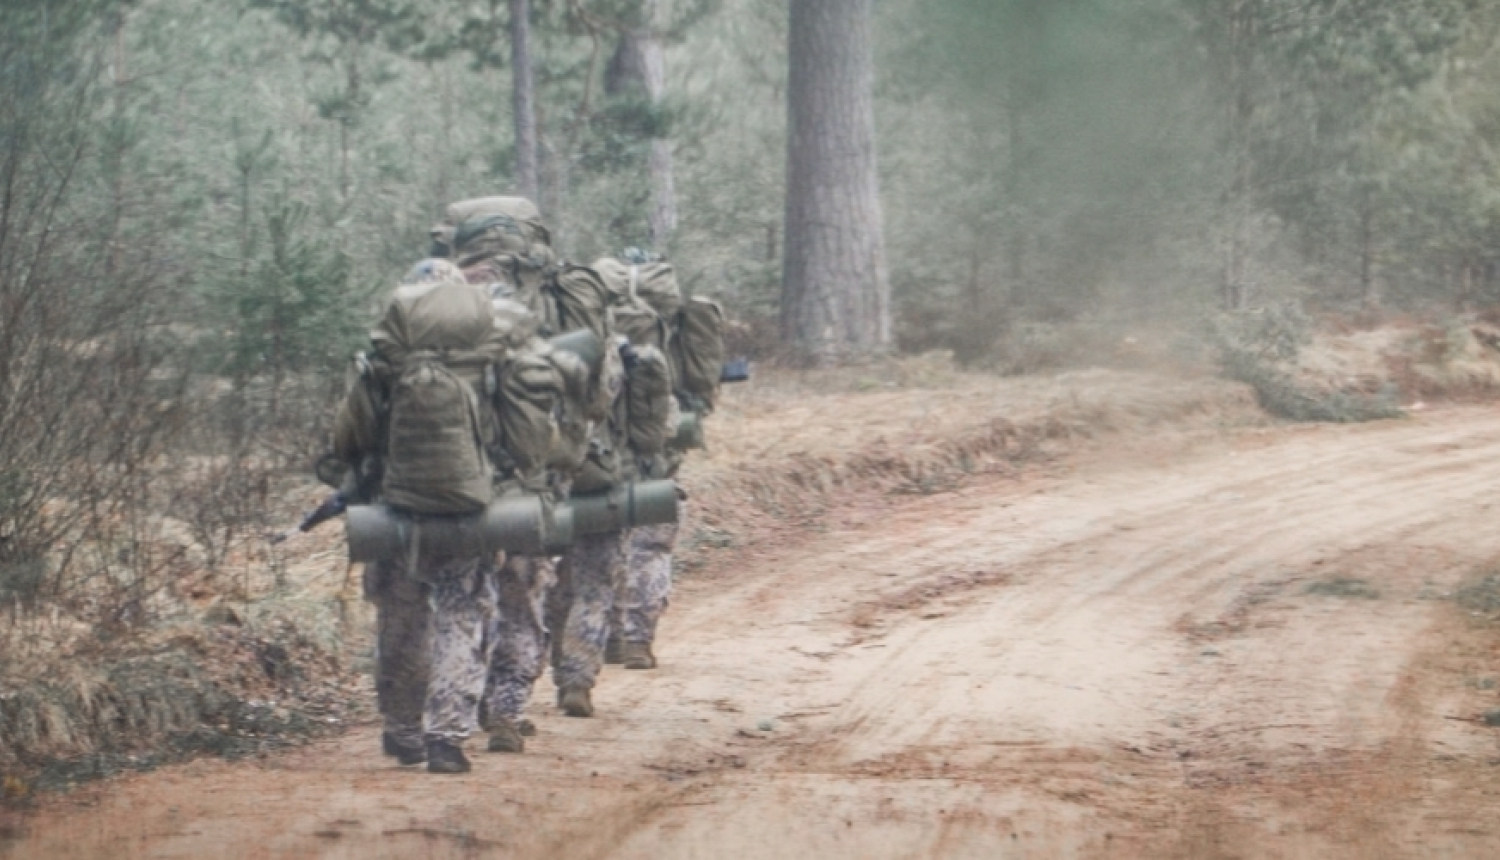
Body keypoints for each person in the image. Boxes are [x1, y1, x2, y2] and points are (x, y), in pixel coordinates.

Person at [332, 258, 510, 774]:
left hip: (396, 507)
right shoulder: (486, 359)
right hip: (470, 506)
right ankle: (447, 735)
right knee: (461, 614)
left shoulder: (384, 361)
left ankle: (403, 729)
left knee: (401, 619)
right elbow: (512, 432)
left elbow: (351, 436)